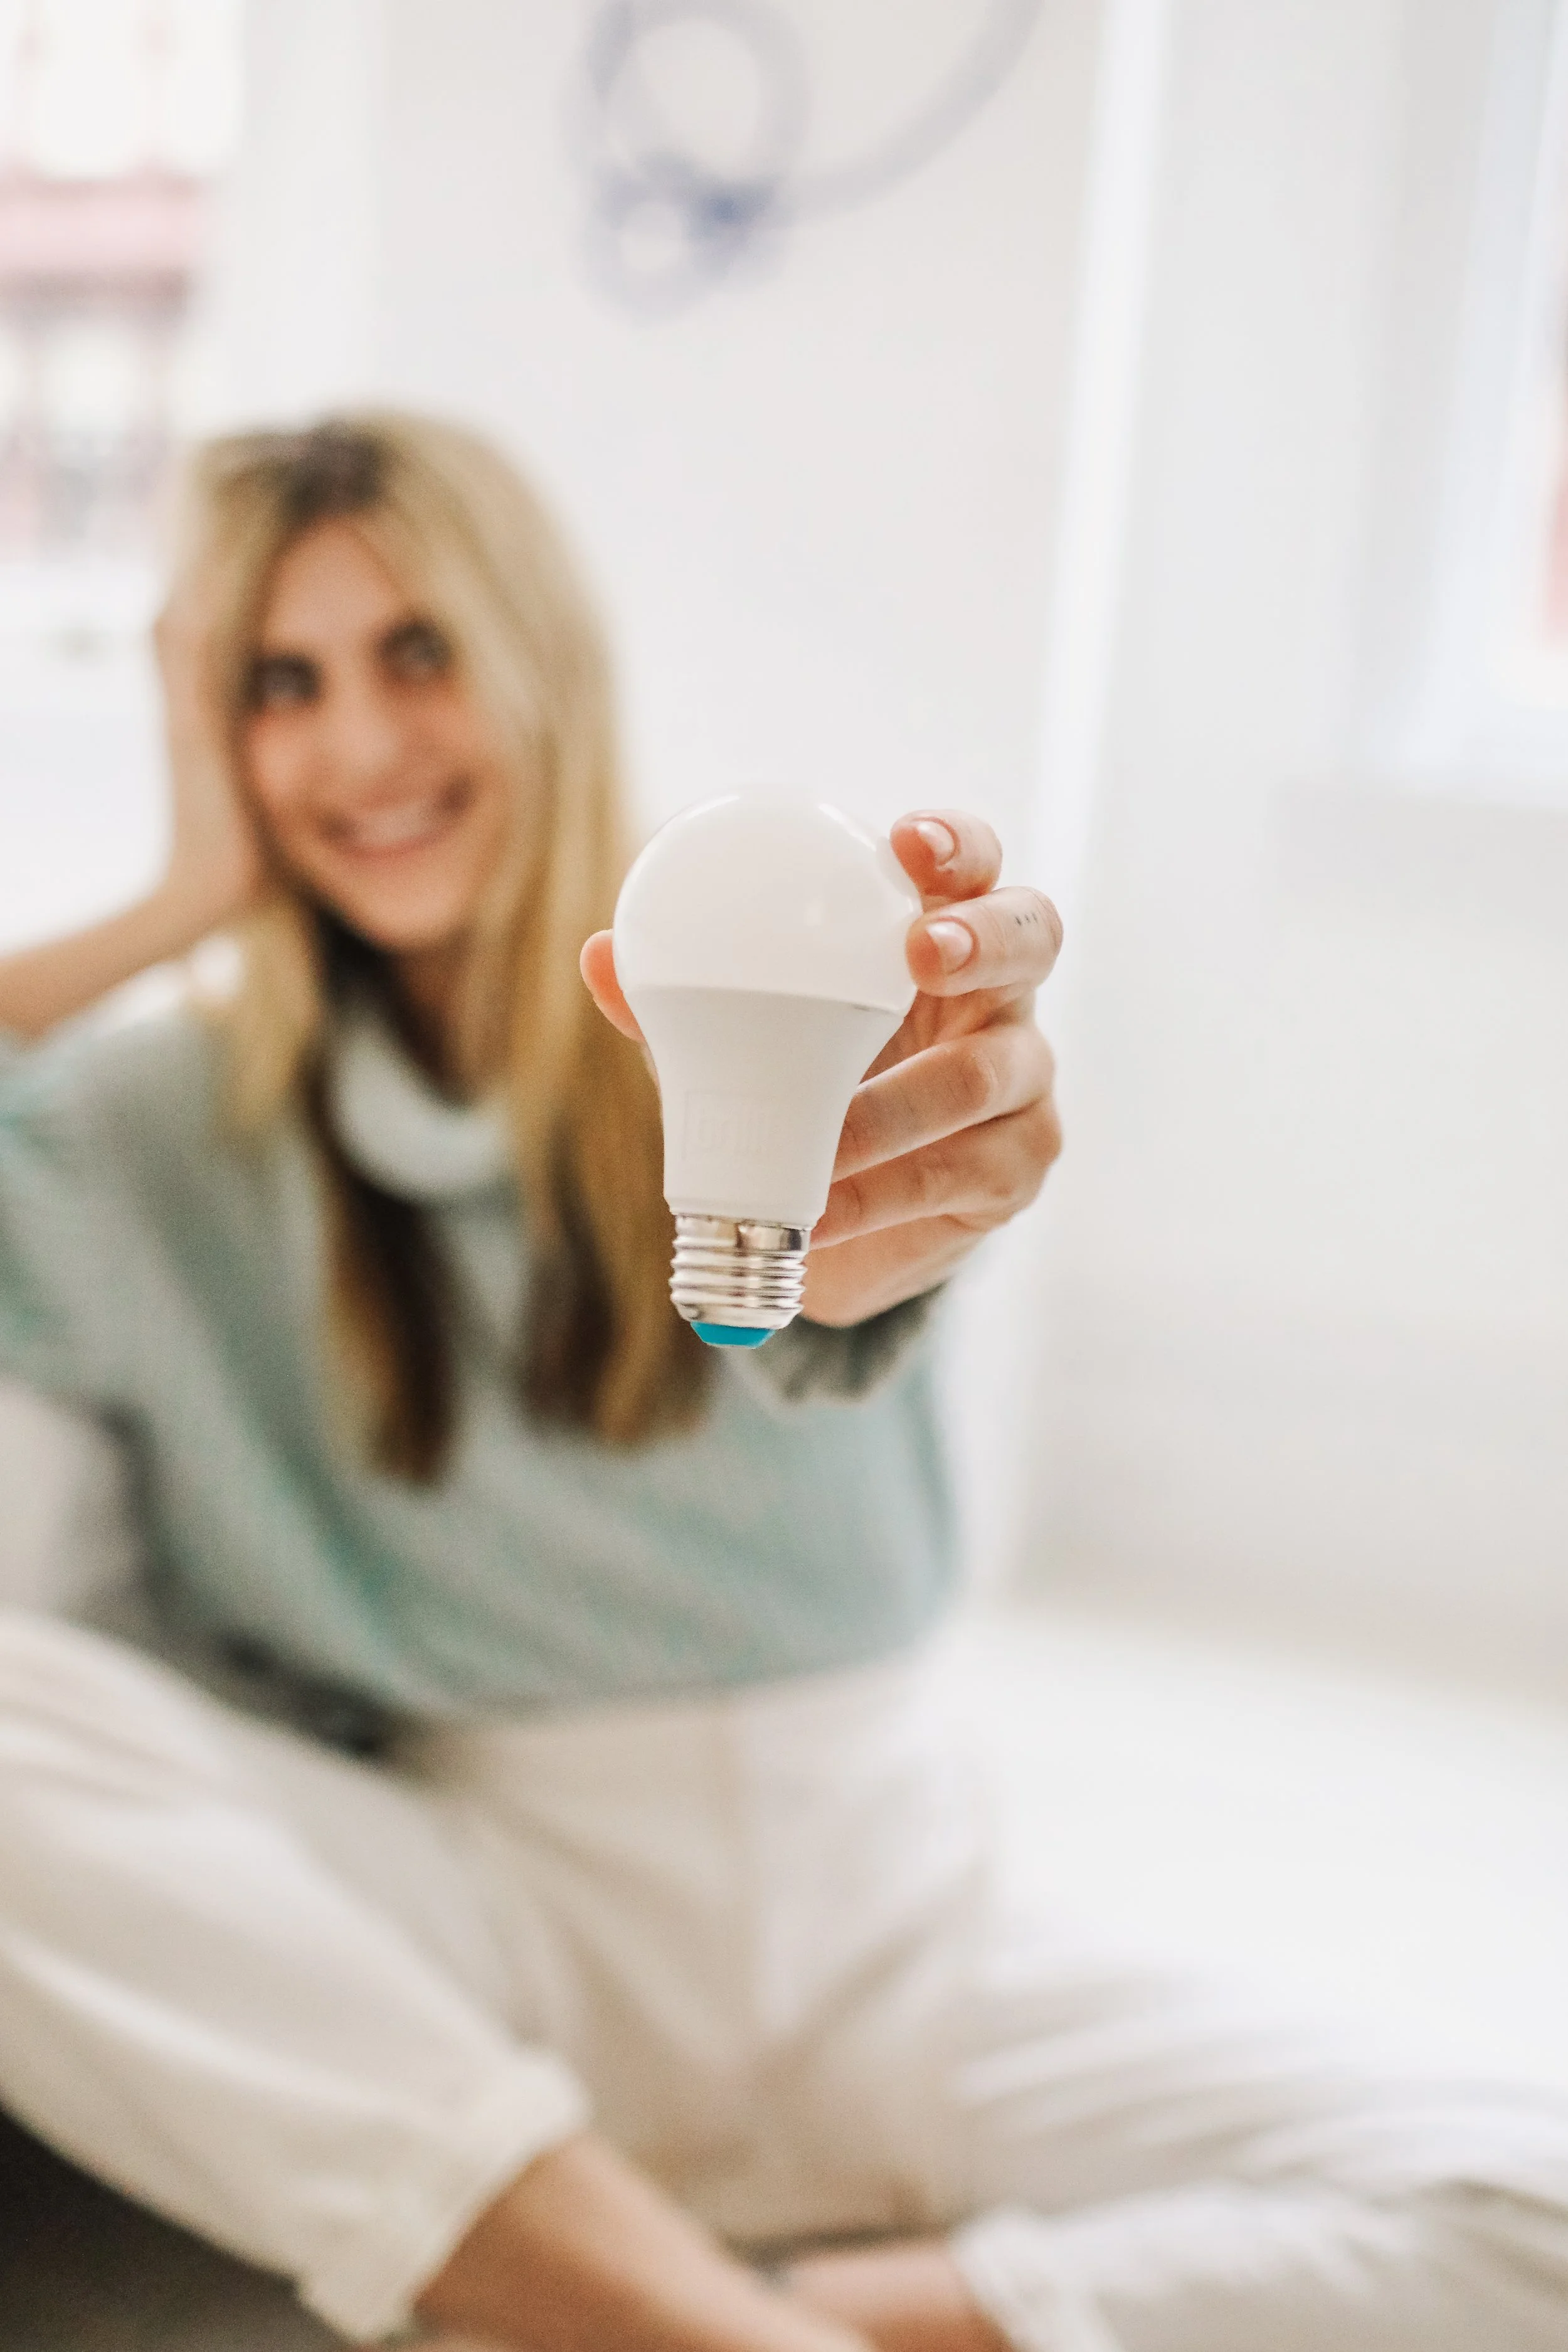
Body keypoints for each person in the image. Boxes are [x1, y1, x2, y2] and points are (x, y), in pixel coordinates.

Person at [0, 415, 1565, 2352]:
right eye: (278, 684)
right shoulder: (141, 1133)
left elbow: (843, 1291)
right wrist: (177, 899)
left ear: (539, 662)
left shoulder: (741, 1021)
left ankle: (864, 2313)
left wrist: (910, 1202)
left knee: (1539, 2202)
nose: (358, 747)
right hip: (497, 1924)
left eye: (416, 654)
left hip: (888, 1931)